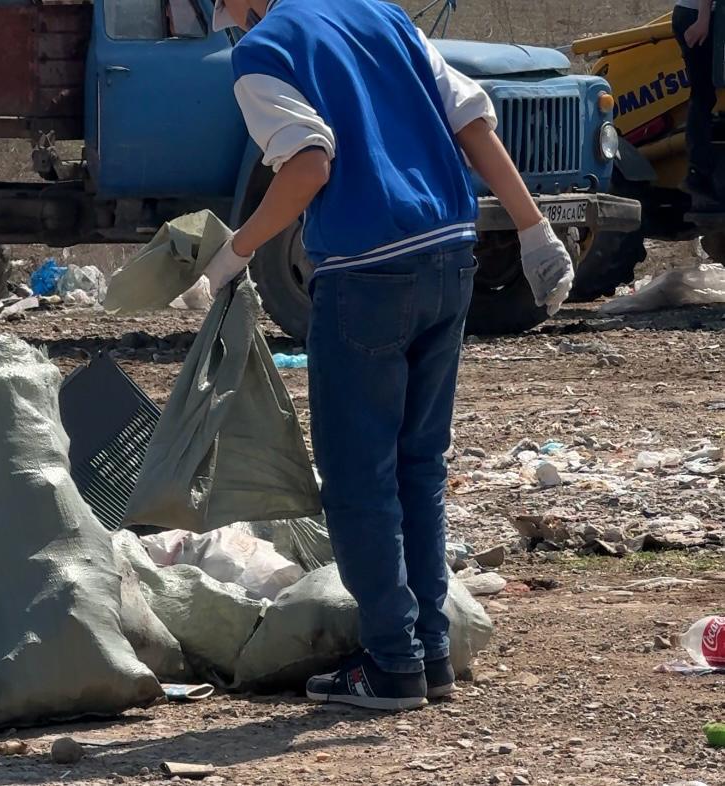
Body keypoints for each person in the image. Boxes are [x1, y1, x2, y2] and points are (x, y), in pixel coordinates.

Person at [184, 0, 574, 710]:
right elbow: (471, 121)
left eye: (226, 13)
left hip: (367, 275)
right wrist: (533, 229)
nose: (232, 27)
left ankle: (392, 664)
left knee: (360, 478)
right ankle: (428, 655)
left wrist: (229, 256)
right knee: (417, 467)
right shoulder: (385, 16)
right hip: (452, 257)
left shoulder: (264, 49)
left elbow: (307, 163)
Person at [673, 0, 720, 209]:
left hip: (704, 14)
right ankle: (697, 174)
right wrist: (703, 18)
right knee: (703, 95)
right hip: (696, 15)